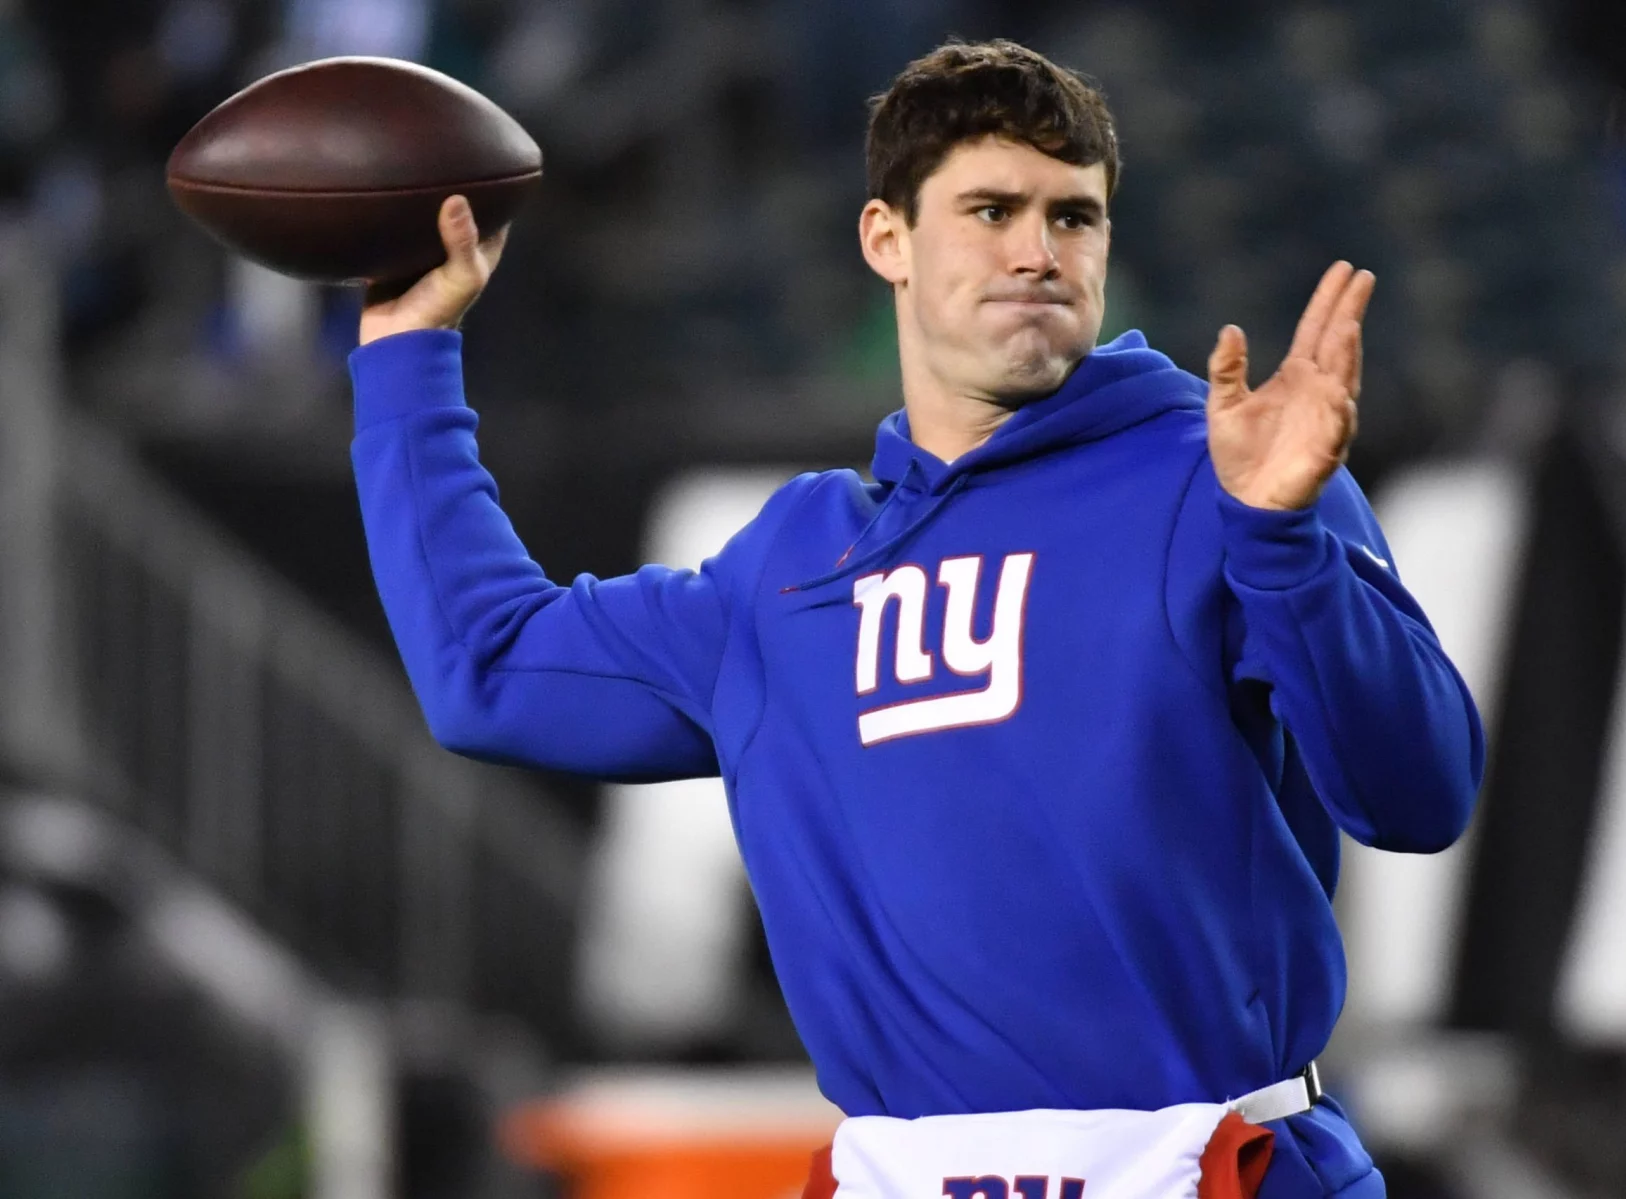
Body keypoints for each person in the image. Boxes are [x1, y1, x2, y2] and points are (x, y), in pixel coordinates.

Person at [348, 39, 1482, 1199]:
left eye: (1074, 217)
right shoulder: (788, 571)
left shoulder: (1229, 472)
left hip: (1207, 1168)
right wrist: (405, 357)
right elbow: (484, 667)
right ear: (886, 237)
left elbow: (1419, 796)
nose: (1039, 253)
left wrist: (1285, 540)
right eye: (991, 209)